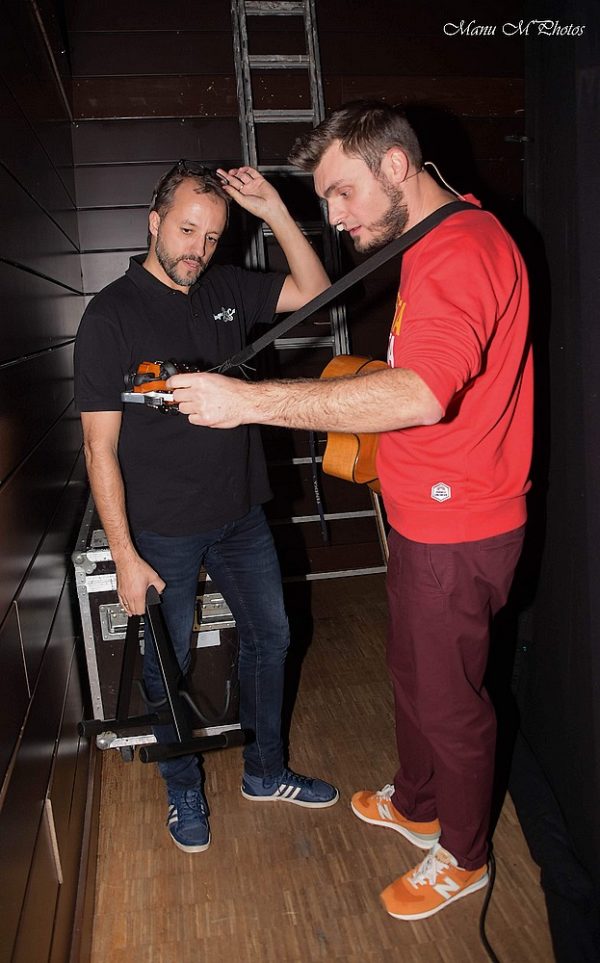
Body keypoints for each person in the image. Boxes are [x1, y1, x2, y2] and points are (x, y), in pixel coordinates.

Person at [166, 102, 533, 919]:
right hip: (423, 519)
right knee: (413, 676)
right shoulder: (434, 238)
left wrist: (248, 402)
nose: (334, 217)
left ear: (396, 166)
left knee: (451, 704)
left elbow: (421, 392)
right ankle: (419, 802)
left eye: (341, 192)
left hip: (460, 525)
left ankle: (465, 856)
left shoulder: (461, 250)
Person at [74, 160, 339, 855]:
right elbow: (99, 448)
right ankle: (183, 786)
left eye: (213, 236)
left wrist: (275, 211)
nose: (198, 248)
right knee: (169, 663)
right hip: (161, 530)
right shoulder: (110, 315)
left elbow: (316, 290)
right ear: (154, 222)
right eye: (187, 230)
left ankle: (265, 770)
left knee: (271, 639)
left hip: (241, 514)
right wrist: (124, 555)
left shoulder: (225, 287)